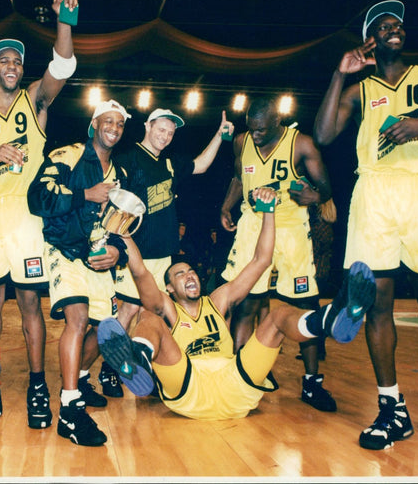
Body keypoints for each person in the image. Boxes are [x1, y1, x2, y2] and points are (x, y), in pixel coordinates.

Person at [313, 0, 418, 451]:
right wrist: (340, 73)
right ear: (370, 39)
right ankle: (392, 409)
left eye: (398, 22)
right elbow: (323, 135)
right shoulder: (359, 88)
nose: (394, 27)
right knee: (376, 303)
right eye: (383, 25)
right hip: (375, 194)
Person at [97, 187, 377, 421]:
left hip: (236, 385)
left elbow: (261, 261)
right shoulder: (168, 308)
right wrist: (124, 234)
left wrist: (268, 213)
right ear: (169, 288)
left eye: (191, 271)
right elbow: (141, 273)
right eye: (179, 274)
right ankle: (138, 360)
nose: (189, 275)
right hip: (189, 385)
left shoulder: (218, 301)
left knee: (278, 316)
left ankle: (331, 319)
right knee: (149, 318)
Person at [0, 0, 78, 431]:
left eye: (16, 61)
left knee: (30, 306)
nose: (10, 66)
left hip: (27, 217)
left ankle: (36, 387)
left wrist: (63, 20)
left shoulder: (36, 100)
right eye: (3, 61)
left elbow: (63, 65)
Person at [219, 94, 337, 412]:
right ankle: (245, 373)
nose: (255, 135)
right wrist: (227, 205)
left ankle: (312, 384)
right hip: (252, 226)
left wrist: (315, 195)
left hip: (290, 228)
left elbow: (325, 187)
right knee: (246, 305)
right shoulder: (241, 142)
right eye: (251, 129)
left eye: (261, 129)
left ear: (277, 122)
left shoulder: (302, 144)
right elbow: (237, 176)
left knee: (303, 305)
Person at [27, 99, 131, 446]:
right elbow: (38, 197)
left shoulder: (121, 174)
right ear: (94, 123)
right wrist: (85, 194)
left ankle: (80, 378)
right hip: (65, 248)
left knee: (106, 329)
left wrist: (116, 251)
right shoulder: (68, 154)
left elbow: (122, 225)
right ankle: (70, 411)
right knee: (78, 318)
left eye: (119, 124)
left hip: (97, 256)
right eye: (108, 121)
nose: (114, 128)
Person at [112, 107, 231, 333]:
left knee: (151, 313)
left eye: (170, 133)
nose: (165, 136)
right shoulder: (126, 160)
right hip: (137, 256)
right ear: (148, 126)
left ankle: (142, 358)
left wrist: (218, 136)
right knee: (128, 309)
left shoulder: (169, 164)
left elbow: (201, 164)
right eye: (161, 130)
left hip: (163, 256)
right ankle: (110, 364)